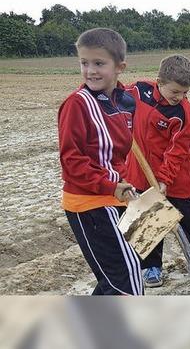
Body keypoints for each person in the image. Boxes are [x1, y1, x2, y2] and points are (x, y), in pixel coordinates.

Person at [126, 54, 190, 289]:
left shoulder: (183, 113)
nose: (180, 97)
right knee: (148, 221)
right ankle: (150, 266)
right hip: (140, 172)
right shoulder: (138, 91)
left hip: (175, 177)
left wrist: (164, 180)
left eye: (185, 92)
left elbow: (178, 150)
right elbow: (115, 97)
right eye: (175, 92)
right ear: (159, 82)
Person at [58, 27, 143, 295]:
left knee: (120, 273)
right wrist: (110, 186)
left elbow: (116, 156)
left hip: (115, 197)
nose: (90, 71)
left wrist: (123, 185)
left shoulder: (125, 102)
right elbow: (71, 162)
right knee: (127, 278)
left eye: (99, 63)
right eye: (84, 63)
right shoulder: (77, 104)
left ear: (120, 67)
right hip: (89, 203)